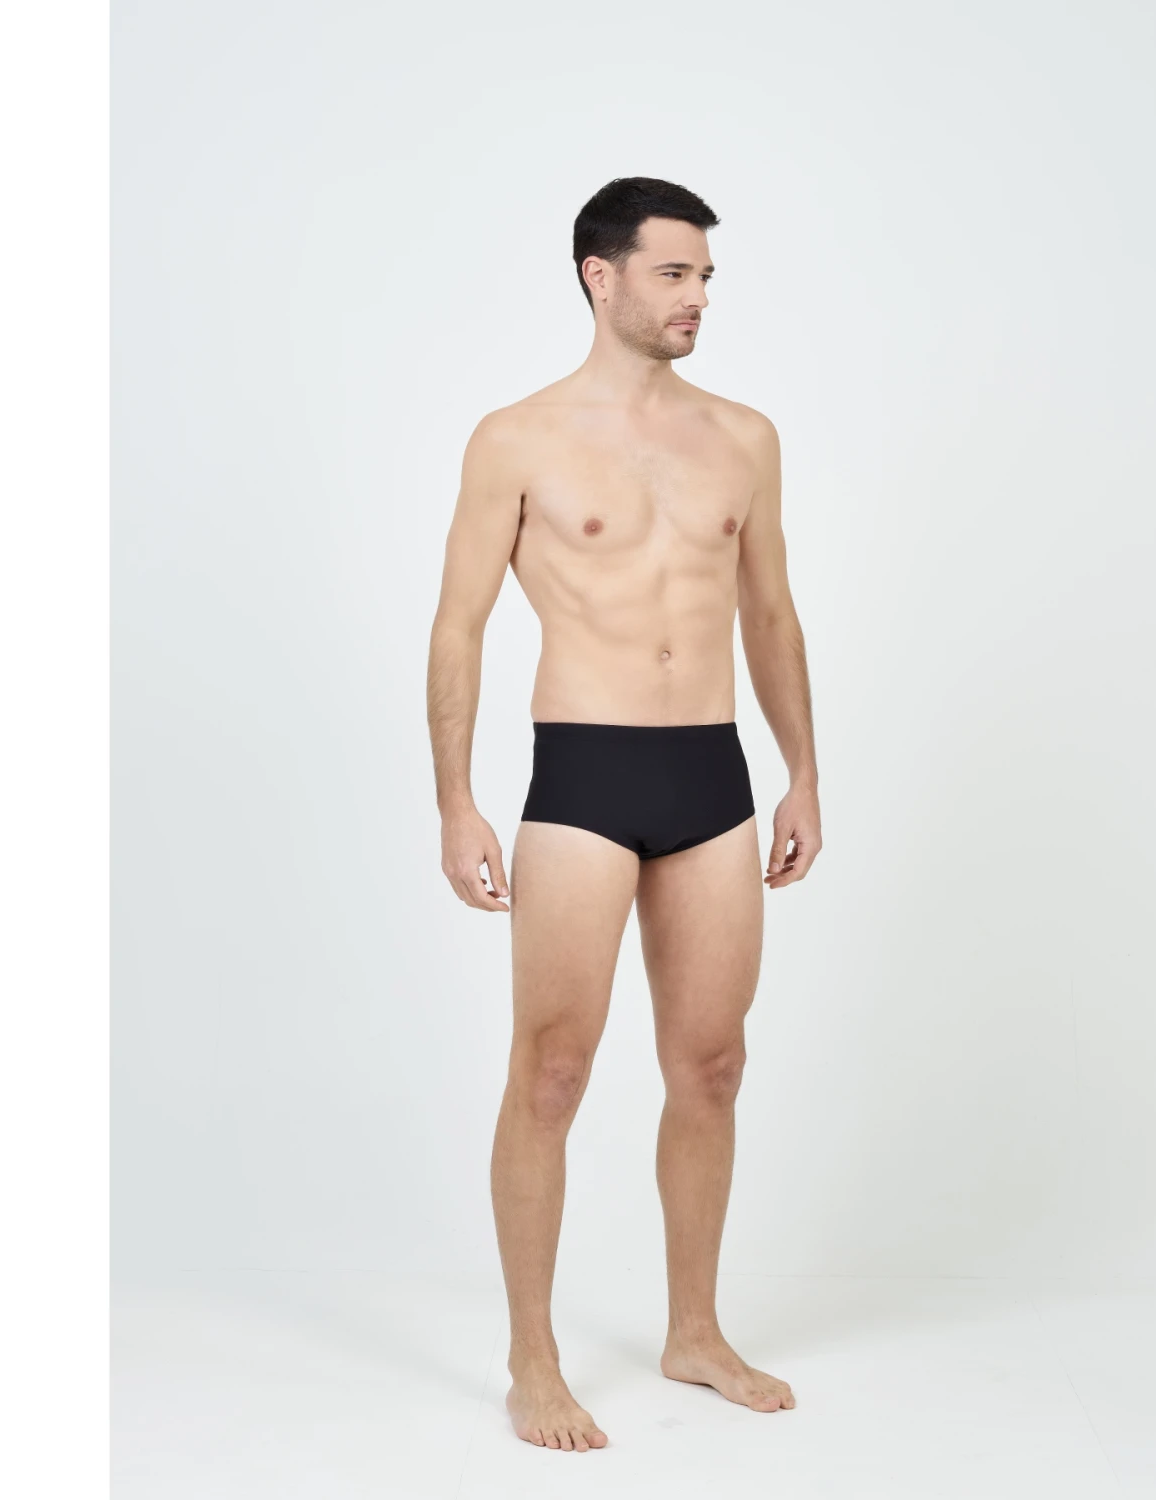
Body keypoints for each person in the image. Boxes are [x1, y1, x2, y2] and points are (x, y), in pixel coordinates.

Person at [426, 176, 821, 1454]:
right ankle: (532, 1359)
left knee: (711, 1066)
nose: (698, 297)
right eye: (674, 273)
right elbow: (459, 626)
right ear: (602, 277)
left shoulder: (744, 437)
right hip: (583, 776)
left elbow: (770, 613)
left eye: (705, 277)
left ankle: (693, 1330)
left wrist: (803, 773)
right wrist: (456, 803)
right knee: (551, 1069)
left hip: (712, 774)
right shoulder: (516, 438)